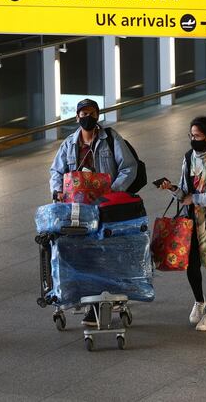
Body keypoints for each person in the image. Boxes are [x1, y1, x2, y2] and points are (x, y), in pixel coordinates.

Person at [49, 98, 139, 326]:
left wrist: (112, 191)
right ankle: (88, 298)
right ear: (76, 117)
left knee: (100, 253)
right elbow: (56, 171)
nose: (86, 117)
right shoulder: (69, 144)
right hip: (77, 209)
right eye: (82, 113)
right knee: (82, 252)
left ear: (97, 115)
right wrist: (57, 191)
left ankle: (96, 305)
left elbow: (129, 166)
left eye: (90, 113)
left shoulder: (110, 139)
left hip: (104, 207)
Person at [158, 116, 206, 331]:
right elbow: (185, 192)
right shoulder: (189, 157)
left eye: (197, 136)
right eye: (191, 135)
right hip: (191, 218)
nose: (193, 140)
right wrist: (172, 189)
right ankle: (199, 301)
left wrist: (197, 199)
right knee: (191, 264)